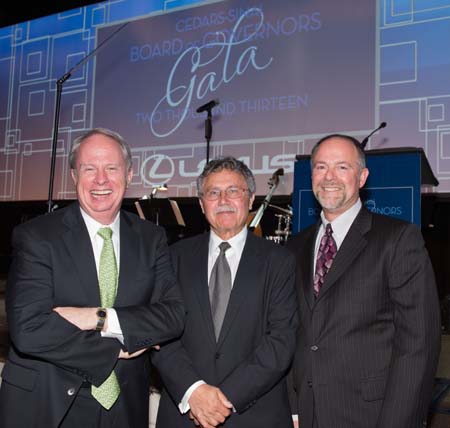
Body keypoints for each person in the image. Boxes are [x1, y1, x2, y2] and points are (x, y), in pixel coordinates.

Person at [0, 128, 185, 428]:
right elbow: (29, 329)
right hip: (48, 404)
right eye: (90, 169)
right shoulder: (36, 236)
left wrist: (99, 318)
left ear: (129, 174)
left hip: (125, 406)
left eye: (111, 168)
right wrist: (119, 345)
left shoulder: (152, 239)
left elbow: (173, 315)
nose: (101, 180)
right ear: (74, 175)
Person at [286, 134, 441, 428]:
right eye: (320, 167)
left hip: (370, 416)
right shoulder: (295, 247)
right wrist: (293, 408)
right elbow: (290, 333)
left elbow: (418, 345)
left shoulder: (397, 239)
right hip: (305, 415)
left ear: (362, 177)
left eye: (342, 167)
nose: (329, 177)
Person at [151, 156, 298, 428]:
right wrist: (193, 391)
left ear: (251, 199)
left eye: (233, 191)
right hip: (185, 413)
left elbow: (281, 341)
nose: (223, 200)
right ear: (201, 203)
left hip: (255, 415)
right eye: (213, 192)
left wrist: (224, 399)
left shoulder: (280, 261)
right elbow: (160, 334)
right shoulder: (172, 258)